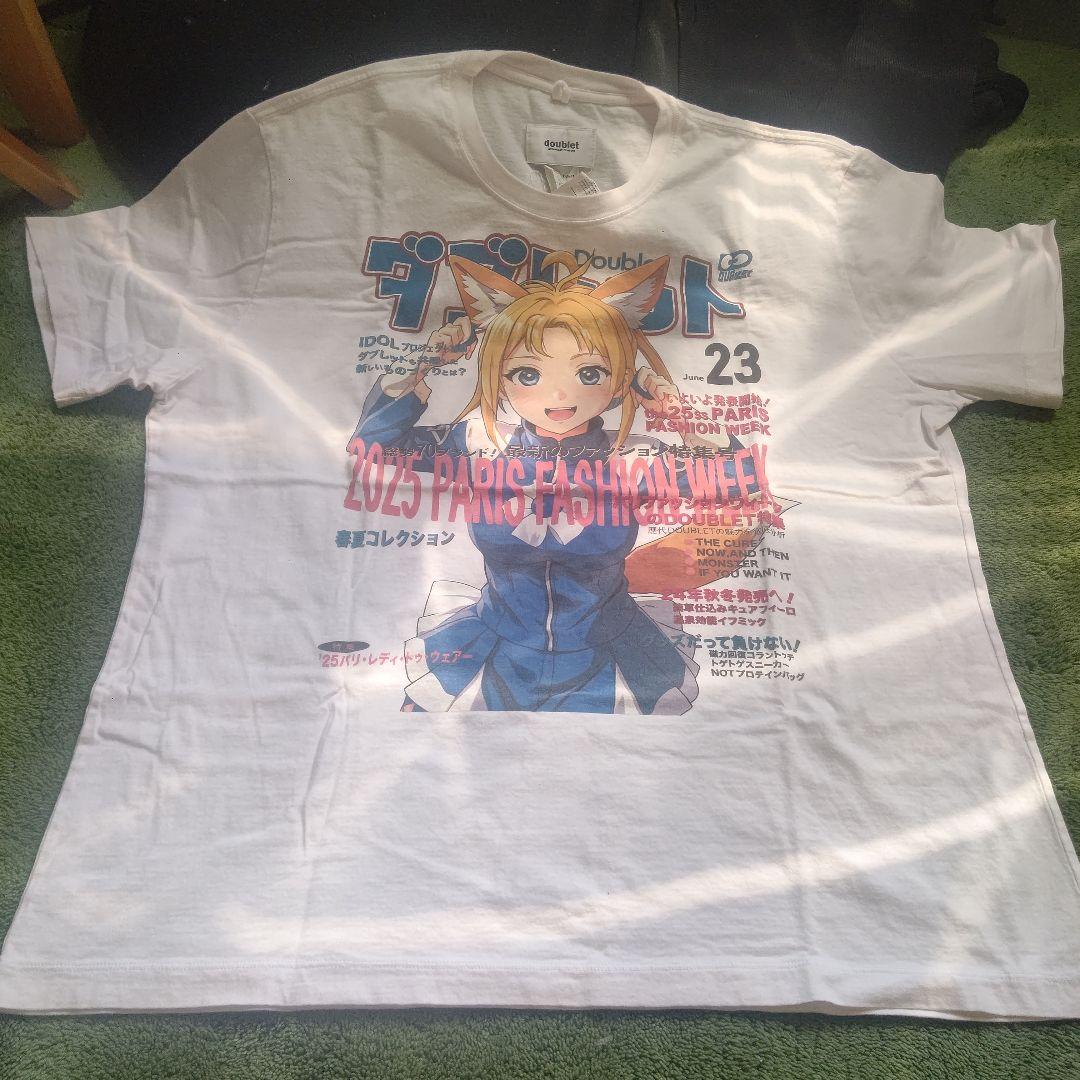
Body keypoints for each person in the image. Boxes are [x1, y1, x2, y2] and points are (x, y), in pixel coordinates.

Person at [346, 251, 761, 713]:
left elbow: (741, 482)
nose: (560, 395)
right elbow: (373, 446)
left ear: (621, 379)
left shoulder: (635, 456)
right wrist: (425, 364)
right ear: (499, 376)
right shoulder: (480, 442)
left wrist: (680, 417)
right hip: (492, 648)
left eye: (590, 373)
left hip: (611, 654)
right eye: (528, 373)